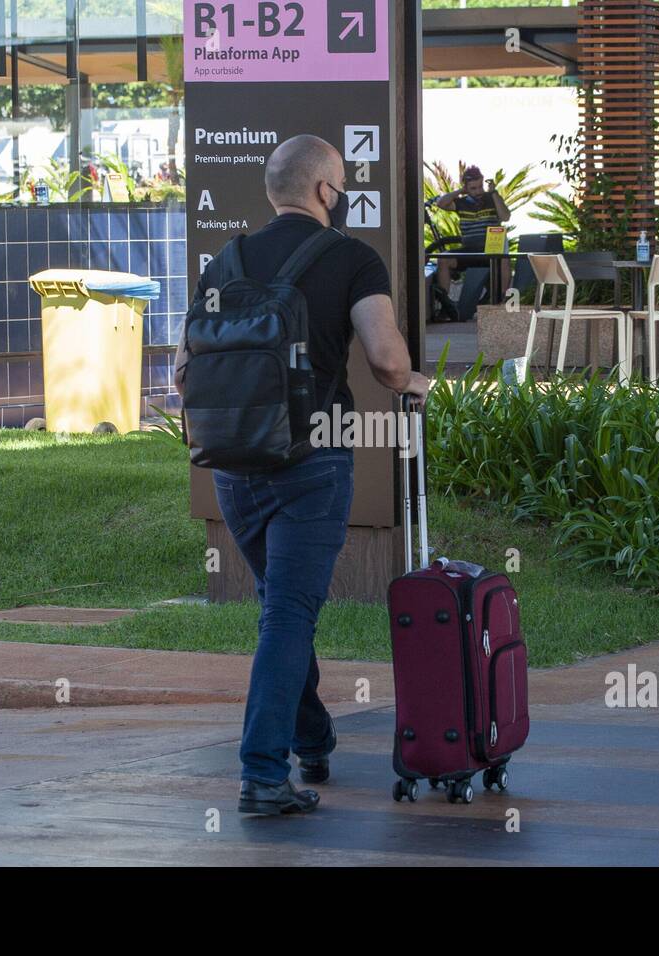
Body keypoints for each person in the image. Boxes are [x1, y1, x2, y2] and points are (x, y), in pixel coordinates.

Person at [174, 134, 430, 814]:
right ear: (325, 191)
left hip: (232, 466)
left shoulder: (224, 263)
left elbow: (181, 369)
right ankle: (262, 774)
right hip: (313, 460)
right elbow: (388, 363)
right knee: (286, 614)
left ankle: (312, 739)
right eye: (338, 187)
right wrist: (417, 379)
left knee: (279, 607)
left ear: (271, 191)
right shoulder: (351, 258)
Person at [432, 165, 512, 303]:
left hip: (490, 250)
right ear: (466, 188)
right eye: (473, 188)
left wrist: (494, 193)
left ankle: (503, 299)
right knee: (443, 259)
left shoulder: (492, 199)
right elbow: (441, 203)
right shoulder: (461, 203)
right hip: (468, 251)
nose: (478, 191)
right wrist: (460, 191)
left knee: (504, 257)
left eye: (480, 186)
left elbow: (505, 217)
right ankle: (445, 304)